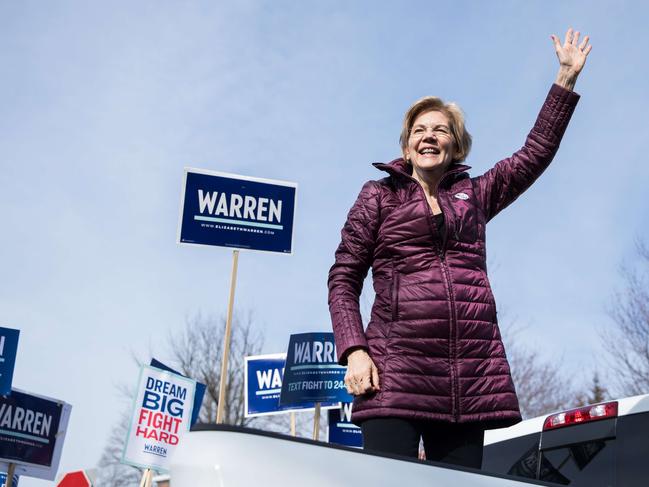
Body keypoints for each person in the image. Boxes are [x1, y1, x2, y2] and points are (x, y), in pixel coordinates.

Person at [328, 28, 591, 468]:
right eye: (419, 130)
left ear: (455, 145)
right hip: (394, 372)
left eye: (440, 130)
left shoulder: (475, 195)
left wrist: (565, 79)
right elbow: (343, 279)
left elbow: (533, 155)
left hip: (465, 381)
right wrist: (354, 350)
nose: (429, 136)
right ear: (408, 146)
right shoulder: (378, 195)